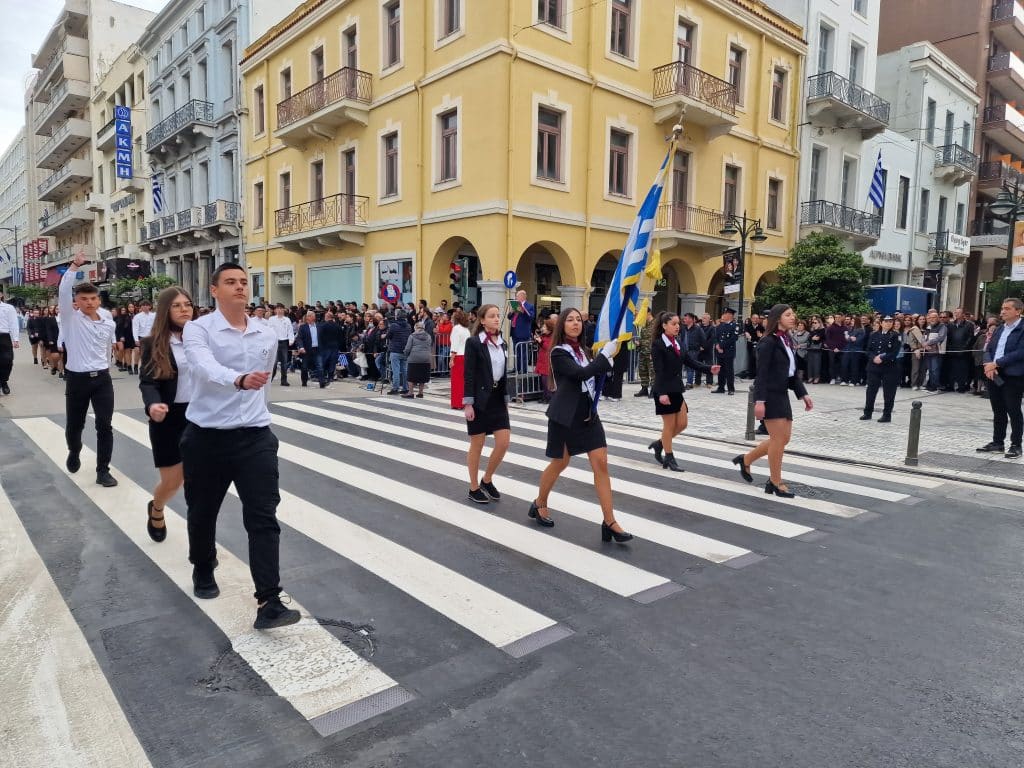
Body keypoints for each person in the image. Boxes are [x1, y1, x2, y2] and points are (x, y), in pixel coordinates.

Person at [181, 262, 300, 630]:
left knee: (263, 517)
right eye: (230, 282)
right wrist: (237, 379)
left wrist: (250, 388)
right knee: (203, 512)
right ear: (214, 290)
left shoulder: (264, 332)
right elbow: (202, 368)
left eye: (244, 283)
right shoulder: (198, 329)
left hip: (255, 437)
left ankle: (269, 599)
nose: (239, 288)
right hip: (207, 437)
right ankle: (203, 565)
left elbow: (264, 378)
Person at [528, 307, 632, 542]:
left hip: (588, 416)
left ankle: (609, 521)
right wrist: (604, 358)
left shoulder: (584, 351)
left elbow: (592, 377)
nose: (575, 324)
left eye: (578, 320)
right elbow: (580, 375)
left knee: (601, 465)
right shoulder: (558, 352)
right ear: (562, 325)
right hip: (565, 416)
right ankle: (539, 502)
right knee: (559, 463)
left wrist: (607, 363)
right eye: (570, 320)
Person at [732, 304, 813, 498]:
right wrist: (759, 401)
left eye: (793, 313)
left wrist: (803, 394)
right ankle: (776, 482)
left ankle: (746, 459)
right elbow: (762, 374)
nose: (793, 317)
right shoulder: (768, 342)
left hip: (782, 393)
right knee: (778, 440)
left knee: (784, 439)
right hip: (769, 395)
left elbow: (791, 374)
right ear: (778, 319)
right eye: (788, 314)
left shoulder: (786, 339)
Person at [138, 287, 196, 542]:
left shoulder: (202, 338)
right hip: (168, 418)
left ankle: (202, 546)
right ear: (165, 310)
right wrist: (153, 406)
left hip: (200, 417)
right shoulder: (154, 343)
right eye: (177, 305)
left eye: (187, 304)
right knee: (173, 483)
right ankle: (157, 507)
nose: (184, 309)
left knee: (199, 484)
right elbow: (148, 382)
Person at [61, 251, 118, 487]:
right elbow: (64, 291)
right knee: (75, 425)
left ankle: (103, 470)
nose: (89, 303)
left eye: (93, 298)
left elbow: (107, 348)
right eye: (83, 299)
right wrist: (74, 266)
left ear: (98, 300)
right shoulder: (70, 318)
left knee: (105, 425)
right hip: (77, 379)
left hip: (102, 379)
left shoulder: (108, 319)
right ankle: (74, 450)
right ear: (76, 301)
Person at [647, 312, 719, 471]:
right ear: (664, 325)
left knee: (682, 424)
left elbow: (690, 362)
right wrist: (662, 393)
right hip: (664, 389)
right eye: (673, 323)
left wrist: (709, 369)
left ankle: (660, 444)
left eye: (678, 323)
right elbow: (658, 370)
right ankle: (669, 458)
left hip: (676, 388)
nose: (677, 326)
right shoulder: (658, 344)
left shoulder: (678, 343)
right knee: (669, 425)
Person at [462, 304, 511, 503]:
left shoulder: (503, 343)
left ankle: (487, 479)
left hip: (498, 398)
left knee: (503, 442)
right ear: (482, 320)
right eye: (492, 316)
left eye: (498, 316)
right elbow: (469, 374)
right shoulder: (474, 343)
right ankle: (473, 487)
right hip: (479, 400)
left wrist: (506, 397)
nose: (497, 319)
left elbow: (504, 373)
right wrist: (468, 403)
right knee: (477, 444)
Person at [978, 298, 1024, 459]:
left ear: (1018, 311)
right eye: (1002, 308)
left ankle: (1016, 445)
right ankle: (998, 442)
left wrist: (996, 363)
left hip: (1013, 376)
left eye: (1007, 309)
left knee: (1014, 410)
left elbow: (1019, 353)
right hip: (994, 374)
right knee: (998, 411)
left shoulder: (1022, 329)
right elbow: (988, 348)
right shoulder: (999, 329)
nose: (1002, 311)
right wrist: (987, 364)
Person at [860, 315, 902, 423]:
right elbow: (868, 350)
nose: (888, 323)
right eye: (886, 321)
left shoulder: (895, 335)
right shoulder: (874, 335)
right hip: (874, 367)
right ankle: (867, 412)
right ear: (881, 323)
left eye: (890, 321)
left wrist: (882, 358)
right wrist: (874, 357)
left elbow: (894, 353)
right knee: (871, 391)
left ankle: (887, 415)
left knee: (889, 393)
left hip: (889, 367)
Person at [507, 289, 535, 374]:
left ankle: (523, 370)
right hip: (515, 332)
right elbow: (509, 317)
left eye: (517, 296)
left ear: (523, 296)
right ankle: (517, 368)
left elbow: (531, 318)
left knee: (523, 353)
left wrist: (524, 311)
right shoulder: (516, 306)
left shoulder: (529, 306)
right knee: (516, 352)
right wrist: (511, 311)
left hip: (523, 333)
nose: (516, 297)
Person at [711, 308, 738, 394]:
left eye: (726, 314)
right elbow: (716, 337)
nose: (724, 315)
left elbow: (734, 338)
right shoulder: (720, 326)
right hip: (719, 351)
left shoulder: (735, 326)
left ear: (730, 315)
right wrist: (718, 346)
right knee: (721, 370)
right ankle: (721, 387)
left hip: (728, 351)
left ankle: (731, 389)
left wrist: (722, 346)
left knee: (729, 370)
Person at [403, 320, 433, 398]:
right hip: (426, 359)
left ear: (416, 327)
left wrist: (405, 354)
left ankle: (411, 392)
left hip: (414, 358)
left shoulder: (412, 336)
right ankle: (420, 393)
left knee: (411, 376)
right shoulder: (428, 336)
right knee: (422, 376)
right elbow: (430, 346)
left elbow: (408, 348)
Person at [449, 309, 471, 410]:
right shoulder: (466, 329)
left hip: (457, 356)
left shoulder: (456, 328)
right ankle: (463, 401)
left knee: (456, 381)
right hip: (465, 355)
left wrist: (451, 359)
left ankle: (457, 402)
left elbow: (455, 344)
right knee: (463, 380)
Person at [295, 310, 323, 387]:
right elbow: (299, 338)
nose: (315, 317)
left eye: (314, 315)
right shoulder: (303, 327)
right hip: (306, 350)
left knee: (320, 366)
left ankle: (322, 383)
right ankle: (304, 381)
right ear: (308, 317)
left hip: (317, 349)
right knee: (304, 367)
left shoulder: (319, 326)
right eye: (312, 315)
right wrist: (301, 347)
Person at [268, 304, 294, 386]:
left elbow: (290, 330)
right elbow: (269, 330)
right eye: (277, 309)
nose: (279, 310)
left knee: (284, 362)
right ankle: (270, 379)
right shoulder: (271, 319)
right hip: (274, 342)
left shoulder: (287, 320)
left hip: (284, 342)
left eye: (281, 308)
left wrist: (291, 339)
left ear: (284, 310)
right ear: (275, 310)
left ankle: (284, 380)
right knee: (274, 362)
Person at [387, 309, 411, 395]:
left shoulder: (394, 325)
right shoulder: (408, 326)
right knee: (405, 370)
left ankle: (395, 388)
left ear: (398, 316)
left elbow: (388, 336)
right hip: (405, 351)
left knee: (395, 370)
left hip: (395, 350)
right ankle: (406, 388)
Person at [0, 293, 20, 395]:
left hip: (4, 336)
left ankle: (4, 380)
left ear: (1, 295)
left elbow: (13, 323)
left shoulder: (8, 308)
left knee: (8, 360)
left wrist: (15, 339)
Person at [923, 308, 947, 392]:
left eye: (934, 317)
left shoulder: (942, 326)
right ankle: (932, 386)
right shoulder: (928, 327)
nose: (932, 319)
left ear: (938, 318)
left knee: (935, 370)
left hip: (937, 352)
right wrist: (925, 345)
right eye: (931, 317)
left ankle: (935, 386)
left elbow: (941, 337)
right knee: (930, 370)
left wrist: (928, 343)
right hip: (928, 352)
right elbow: (924, 338)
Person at [130, 299, 155, 375]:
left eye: (146, 305)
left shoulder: (154, 315)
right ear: (141, 307)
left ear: (150, 306)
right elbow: (135, 328)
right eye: (143, 305)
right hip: (142, 337)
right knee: (142, 354)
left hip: (151, 337)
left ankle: (150, 368)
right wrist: (136, 339)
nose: (145, 307)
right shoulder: (137, 317)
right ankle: (137, 366)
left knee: (151, 354)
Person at [633, 314, 653, 397]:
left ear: (648, 313)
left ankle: (654, 390)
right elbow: (643, 338)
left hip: (651, 353)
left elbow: (656, 338)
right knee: (643, 371)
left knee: (653, 372)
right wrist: (638, 343)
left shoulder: (655, 324)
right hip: (643, 352)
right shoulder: (644, 325)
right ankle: (644, 389)